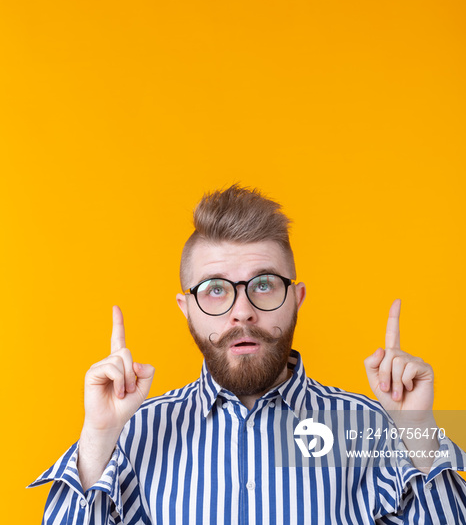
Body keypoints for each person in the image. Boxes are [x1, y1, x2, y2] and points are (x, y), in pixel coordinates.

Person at [30, 184, 466, 524]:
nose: (242, 312)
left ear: (296, 299)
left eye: (263, 285)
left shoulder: (370, 428)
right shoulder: (134, 433)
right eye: (215, 289)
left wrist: (419, 432)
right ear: (187, 309)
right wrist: (98, 437)